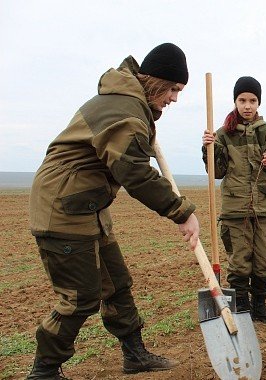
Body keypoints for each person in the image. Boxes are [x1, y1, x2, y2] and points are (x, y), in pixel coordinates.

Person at [27, 43, 200, 378]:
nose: (175, 98)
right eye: (173, 89)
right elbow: (134, 173)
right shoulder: (125, 111)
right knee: (80, 297)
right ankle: (44, 370)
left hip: (88, 206)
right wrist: (182, 211)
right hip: (62, 209)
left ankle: (134, 355)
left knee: (117, 283)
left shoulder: (129, 105)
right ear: (154, 80)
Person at [202, 76, 266, 324]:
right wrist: (208, 149)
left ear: (258, 103)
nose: (247, 105)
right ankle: (242, 308)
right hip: (235, 207)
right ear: (235, 101)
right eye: (242, 100)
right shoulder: (223, 134)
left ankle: (260, 306)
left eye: (252, 100)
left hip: (263, 206)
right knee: (239, 264)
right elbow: (216, 172)